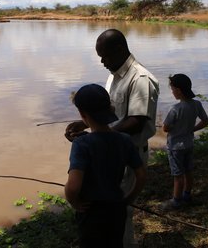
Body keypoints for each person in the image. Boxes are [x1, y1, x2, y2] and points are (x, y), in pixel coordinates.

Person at [65, 29, 159, 247]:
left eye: (104, 56)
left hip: (127, 155)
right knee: (110, 211)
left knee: (121, 213)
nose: (102, 61)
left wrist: (96, 137)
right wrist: (86, 123)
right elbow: (108, 113)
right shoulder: (115, 74)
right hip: (111, 152)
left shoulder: (140, 79)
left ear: (119, 50)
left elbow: (136, 122)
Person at [64, 84, 146, 248]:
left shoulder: (81, 144)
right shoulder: (124, 140)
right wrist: (128, 198)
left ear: (82, 114)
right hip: (116, 208)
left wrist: (74, 201)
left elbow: (73, 187)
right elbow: (141, 176)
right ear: (110, 109)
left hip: (91, 212)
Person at [161, 74, 208, 210]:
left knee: (178, 175)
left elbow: (165, 128)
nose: (172, 91)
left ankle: (176, 201)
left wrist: (174, 128)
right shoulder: (197, 104)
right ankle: (187, 196)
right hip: (189, 144)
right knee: (188, 171)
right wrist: (192, 129)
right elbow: (205, 121)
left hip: (175, 147)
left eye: (172, 89)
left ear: (179, 91)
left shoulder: (175, 109)